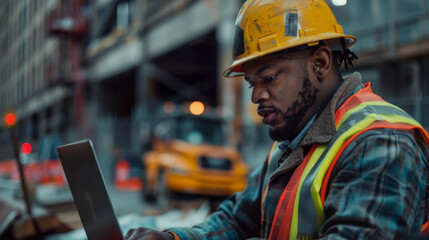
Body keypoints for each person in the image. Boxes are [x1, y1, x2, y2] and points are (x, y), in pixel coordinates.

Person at [125, 0, 429, 239]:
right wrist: (173, 239)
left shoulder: (380, 142)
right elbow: (236, 217)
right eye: (252, 84)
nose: (256, 96)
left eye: (269, 78)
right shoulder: (293, 138)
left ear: (320, 63)